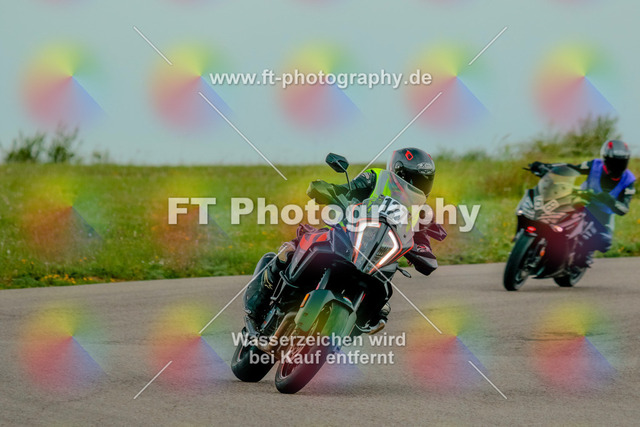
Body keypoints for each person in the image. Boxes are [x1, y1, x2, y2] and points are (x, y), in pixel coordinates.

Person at [246, 147, 447, 323]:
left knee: (382, 308)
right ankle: (257, 302)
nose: (414, 183)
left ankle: (347, 327)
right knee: (289, 252)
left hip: (379, 257)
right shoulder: (376, 178)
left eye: (423, 180)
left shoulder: (421, 212)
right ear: (397, 171)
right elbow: (349, 190)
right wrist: (330, 191)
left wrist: (422, 254)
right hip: (346, 235)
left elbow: (422, 242)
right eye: (409, 177)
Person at [529, 140, 635, 267]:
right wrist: (546, 167)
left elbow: (624, 209)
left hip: (603, 215)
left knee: (604, 242)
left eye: (621, 162)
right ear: (605, 160)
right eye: (614, 162)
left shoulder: (629, 180)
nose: (617, 166)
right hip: (582, 201)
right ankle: (538, 242)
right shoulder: (594, 165)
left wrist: (610, 201)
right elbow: (572, 168)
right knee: (553, 214)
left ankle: (584, 255)